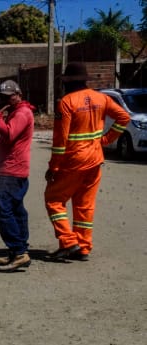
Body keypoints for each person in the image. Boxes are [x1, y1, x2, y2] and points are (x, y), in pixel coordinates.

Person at [44, 62, 130, 261]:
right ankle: (83, 247)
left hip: (73, 161)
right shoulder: (102, 98)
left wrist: (53, 167)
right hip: (95, 159)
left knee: (53, 200)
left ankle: (68, 241)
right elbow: (124, 117)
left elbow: (60, 140)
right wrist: (106, 140)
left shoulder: (66, 102)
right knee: (84, 206)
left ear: (68, 82)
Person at [0, 80, 36, 271]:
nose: (5, 100)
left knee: (3, 211)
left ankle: (18, 251)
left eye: (9, 96)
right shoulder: (18, 111)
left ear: (18, 94)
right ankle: (19, 251)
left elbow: (9, 134)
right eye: (2, 97)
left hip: (11, 171)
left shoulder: (22, 113)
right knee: (16, 210)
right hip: (13, 170)